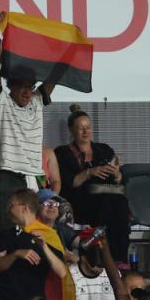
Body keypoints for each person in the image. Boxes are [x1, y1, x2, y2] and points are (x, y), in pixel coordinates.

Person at [0, 11, 56, 229]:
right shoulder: (1, 102)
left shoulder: (36, 102)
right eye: (23, 86)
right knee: (7, 230)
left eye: (31, 86)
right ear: (11, 87)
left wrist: (67, 47)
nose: (28, 91)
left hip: (32, 176)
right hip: (5, 175)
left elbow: (54, 75)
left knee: (32, 231)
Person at [54, 108, 131, 262]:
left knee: (119, 202)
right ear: (71, 130)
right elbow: (69, 183)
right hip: (81, 200)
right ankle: (109, 258)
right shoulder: (62, 153)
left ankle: (119, 258)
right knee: (110, 203)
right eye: (81, 128)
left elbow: (120, 181)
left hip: (108, 197)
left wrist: (116, 173)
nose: (85, 131)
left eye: (88, 127)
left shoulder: (104, 149)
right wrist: (90, 172)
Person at [0, 189, 67, 300]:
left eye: (11, 205)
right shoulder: (5, 235)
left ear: (24, 208)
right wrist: (16, 254)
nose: (8, 209)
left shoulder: (47, 235)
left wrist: (44, 246)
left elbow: (62, 272)